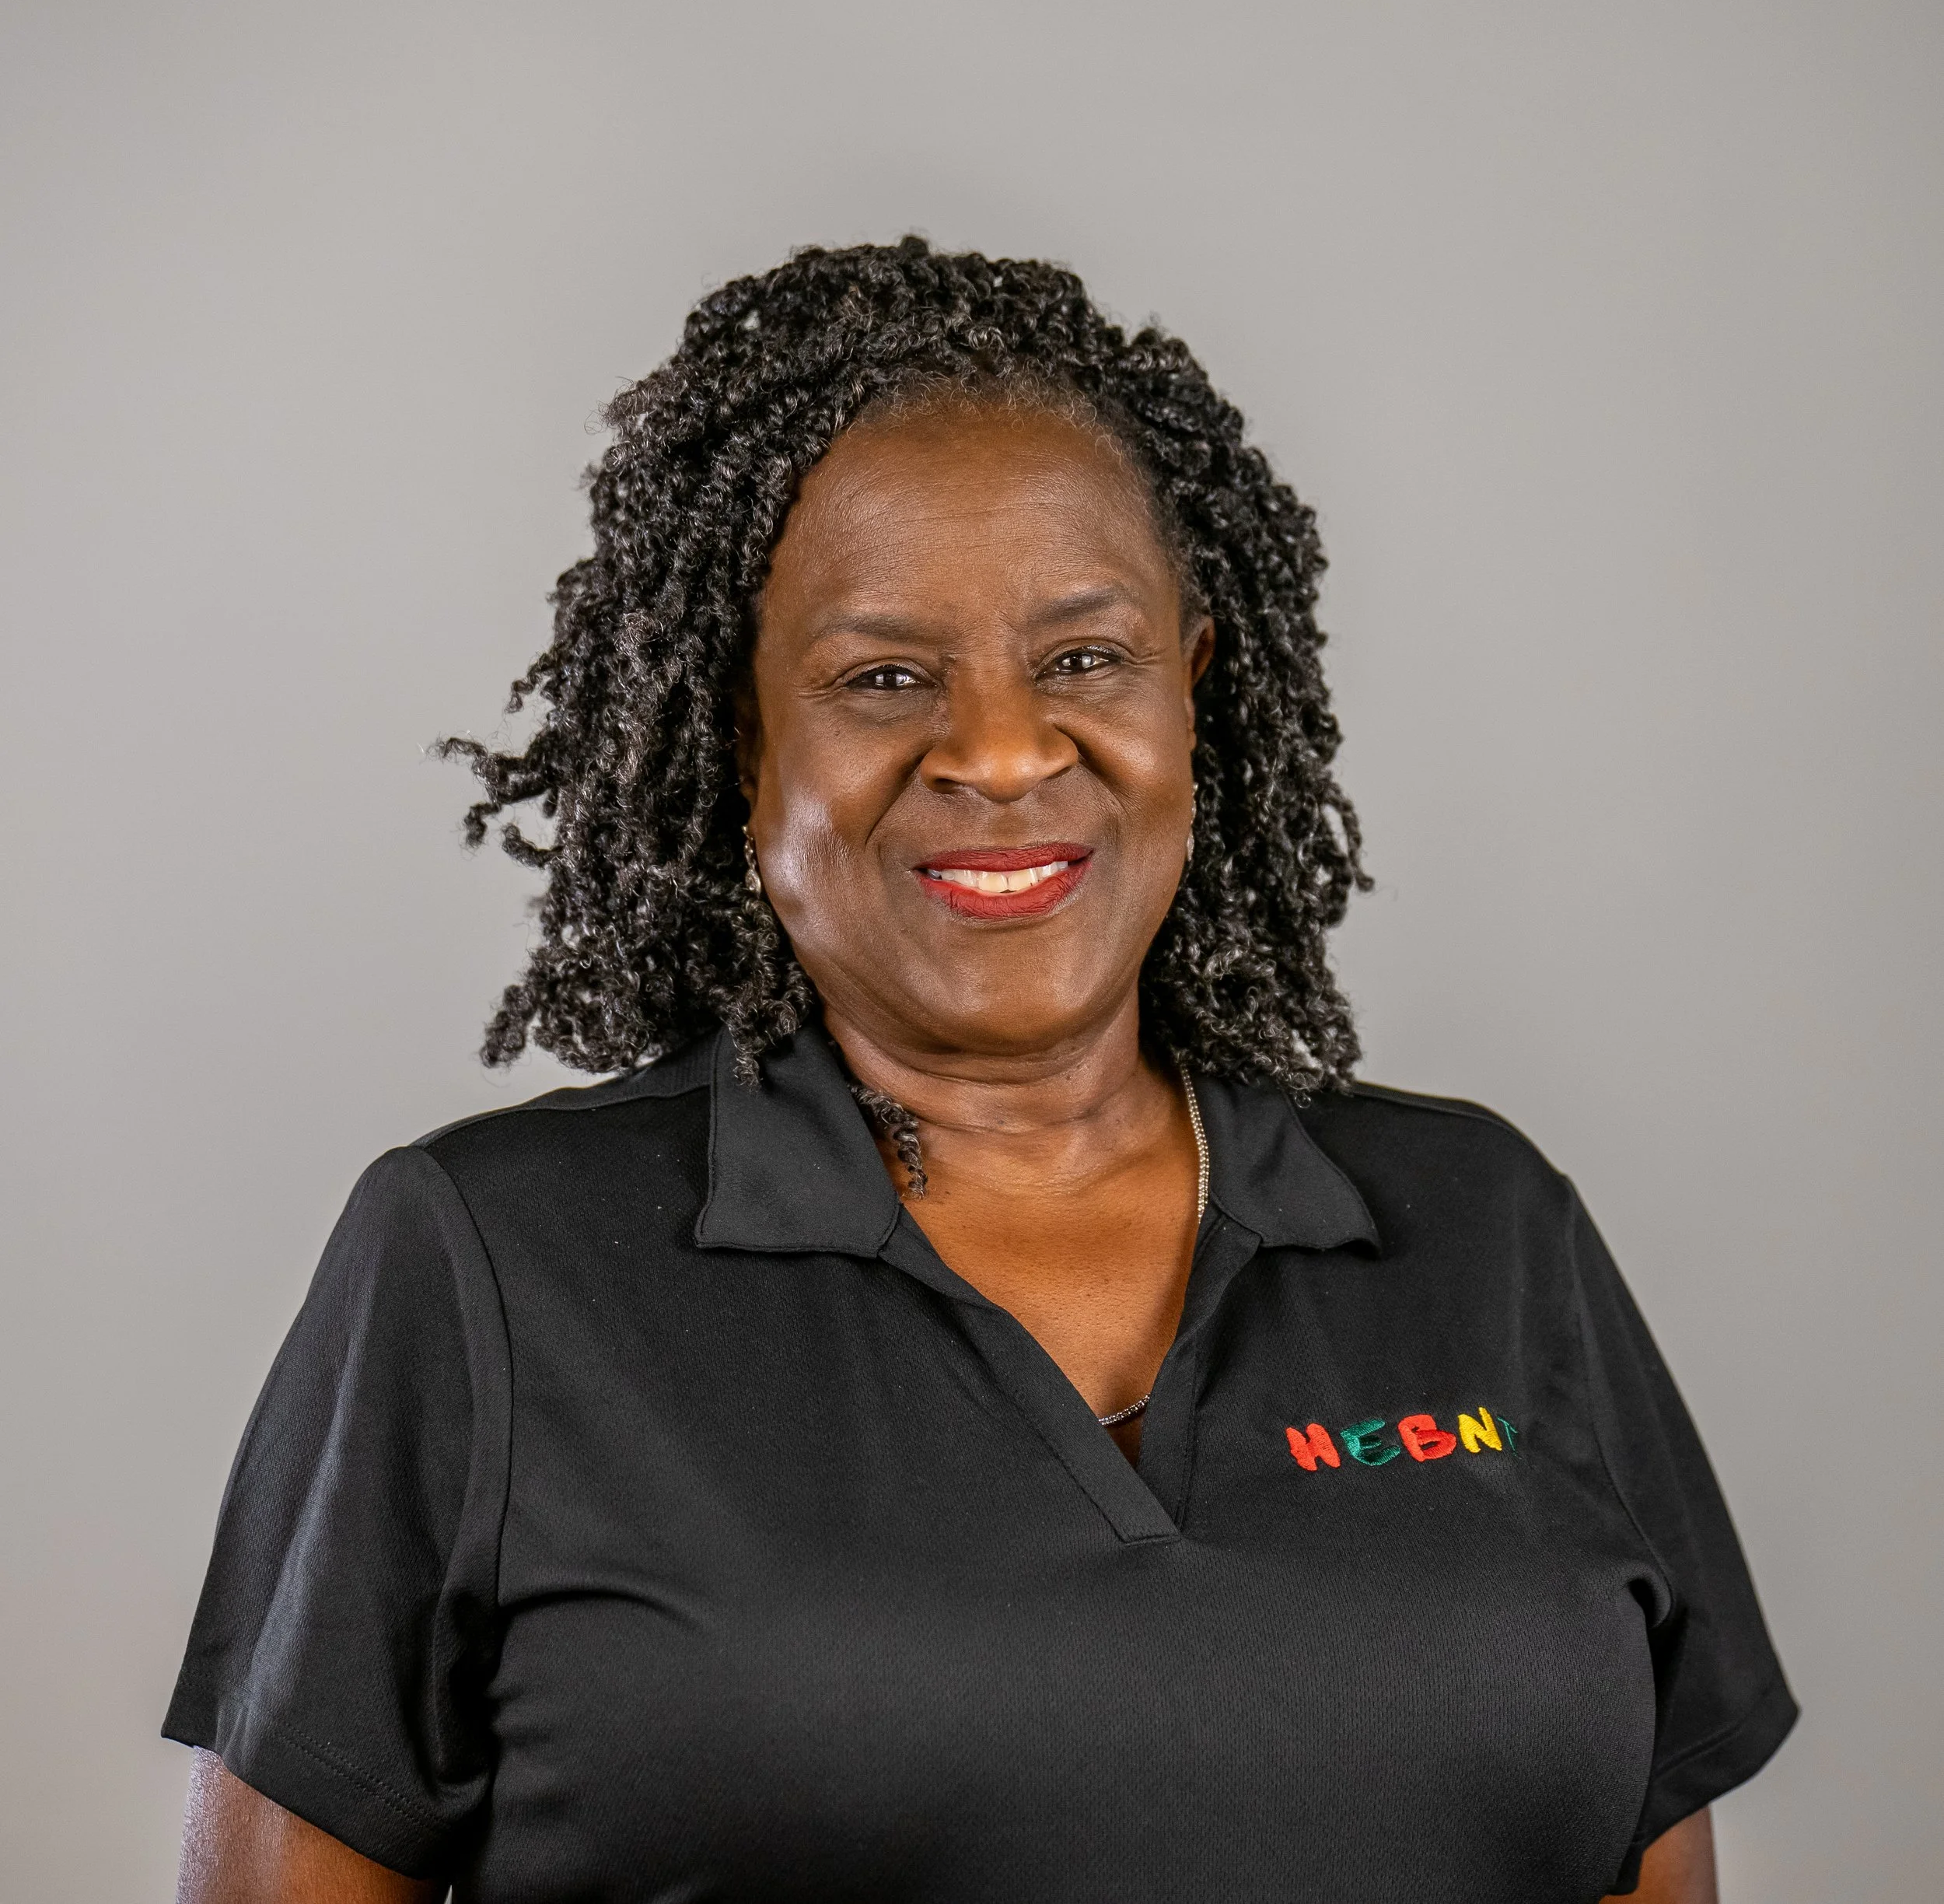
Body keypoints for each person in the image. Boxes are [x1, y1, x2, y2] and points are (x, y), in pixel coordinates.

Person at [166, 239, 1793, 1903]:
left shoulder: (1481, 1226)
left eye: (1084, 658)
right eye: (885, 678)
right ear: (741, 736)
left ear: (1194, 684)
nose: (1006, 751)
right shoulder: (490, 1264)